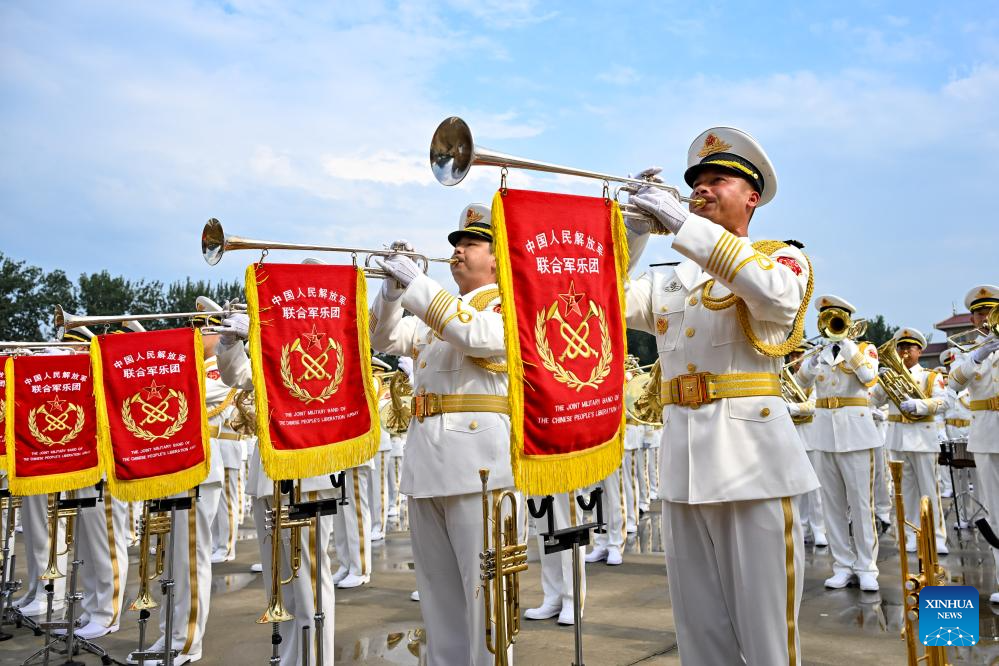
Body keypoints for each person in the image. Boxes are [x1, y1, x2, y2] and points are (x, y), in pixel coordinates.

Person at [624, 126, 818, 664]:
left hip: (753, 466)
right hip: (685, 465)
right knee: (699, 632)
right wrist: (632, 233)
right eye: (697, 183)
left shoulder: (782, 260)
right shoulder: (669, 280)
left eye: (718, 180)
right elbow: (595, 300)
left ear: (751, 197)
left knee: (767, 637)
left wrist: (682, 224)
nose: (703, 189)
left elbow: (772, 294)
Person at [370, 203, 515, 665]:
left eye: (471, 243)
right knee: (437, 596)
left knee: (486, 599)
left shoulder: (510, 303)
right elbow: (383, 340)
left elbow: (479, 337)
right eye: (455, 244)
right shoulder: (439, 310)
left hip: (481, 469)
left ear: (497, 257)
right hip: (428, 462)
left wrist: (417, 284)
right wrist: (392, 293)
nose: (458, 252)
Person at [214, 294, 338, 665]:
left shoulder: (330, 343)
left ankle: (316, 658)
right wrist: (231, 341)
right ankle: (289, 657)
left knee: (309, 580)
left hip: (308, 472)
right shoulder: (277, 344)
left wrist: (258, 335)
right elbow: (239, 377)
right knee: (279, 583)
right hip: (268, 471)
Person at [795, 295, 882, 592]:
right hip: (824, 434)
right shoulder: (818, 351)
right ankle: (842, 565)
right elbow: (803, 384)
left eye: (834, 318)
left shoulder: (863, 349)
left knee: (861, 505)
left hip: (856, 434)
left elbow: (869, 378)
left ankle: (867, 566)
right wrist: (812, 360)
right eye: (825, 318)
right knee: (832, 505)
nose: (830, 323)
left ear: (846, 319)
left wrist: (846, 345)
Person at [870, 328, 948, 554]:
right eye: (901, 347)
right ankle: (913, 534)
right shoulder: (890, 376)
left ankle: (938, 536)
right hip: (897, 439)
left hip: (923, 438)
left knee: (929, 490)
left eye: (909, 347)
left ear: (919, 351)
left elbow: (944, 403)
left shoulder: (930, 376)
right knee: (905, 492)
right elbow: (873, 400)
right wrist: (880, 381)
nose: (904, 351)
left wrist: (920, 405)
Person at [948, 285, 999, 601]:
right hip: (985, 434)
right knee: (994, 510)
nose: (985, 318)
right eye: (980, 313)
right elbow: (954, 382)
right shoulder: (967, 350)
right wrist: (977, 357)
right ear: (972, 318)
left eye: (990, 311)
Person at [784, 341, 827, 547]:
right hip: (792, 436)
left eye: (799, 355)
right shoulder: (785, 379)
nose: (795, 360)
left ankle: (819, 528)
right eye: (792, 356)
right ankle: (800, 527)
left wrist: (791, 408)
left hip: (812, 434)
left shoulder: (816, 379)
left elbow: (814, 406)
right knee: (796, 486)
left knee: (815, 488)